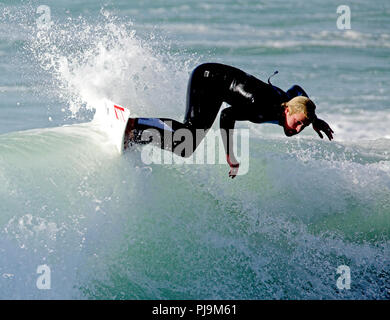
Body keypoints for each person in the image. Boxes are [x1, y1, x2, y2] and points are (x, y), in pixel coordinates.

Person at [124, 62, 334, 178]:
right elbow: (227, 115)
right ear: (287, 110)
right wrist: (230, 155)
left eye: (302, 126)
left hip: (218, 87)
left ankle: (136, 133)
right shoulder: (263, 108)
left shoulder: (291, 102)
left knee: (187, 143)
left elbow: (297, 89)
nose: (297, 129)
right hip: (208, 79)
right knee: (187, 140)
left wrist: (313, 119)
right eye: (297, 122)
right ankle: (135, 126)